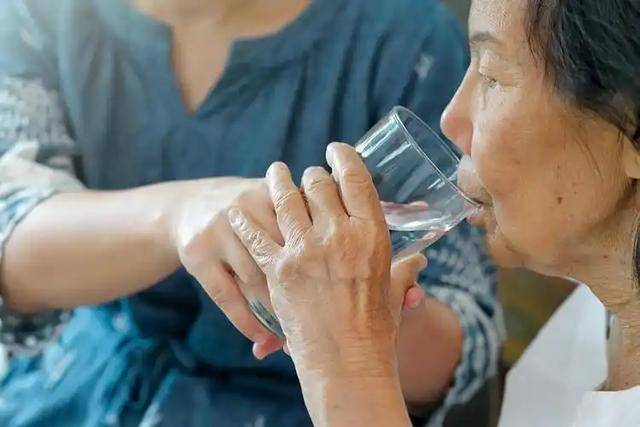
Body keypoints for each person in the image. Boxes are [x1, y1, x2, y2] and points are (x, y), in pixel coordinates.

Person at [0, 0, 499, 426]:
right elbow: (12, 236)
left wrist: (353, 315)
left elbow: (460, 354)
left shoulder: (410, 43)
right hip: (67, 390)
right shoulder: (41, 14)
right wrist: (180, 215)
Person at [228, 0, 640, 425]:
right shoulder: (604, 312)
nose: (450, 119)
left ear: (630, 128)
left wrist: (349, 361)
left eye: (491, 76)